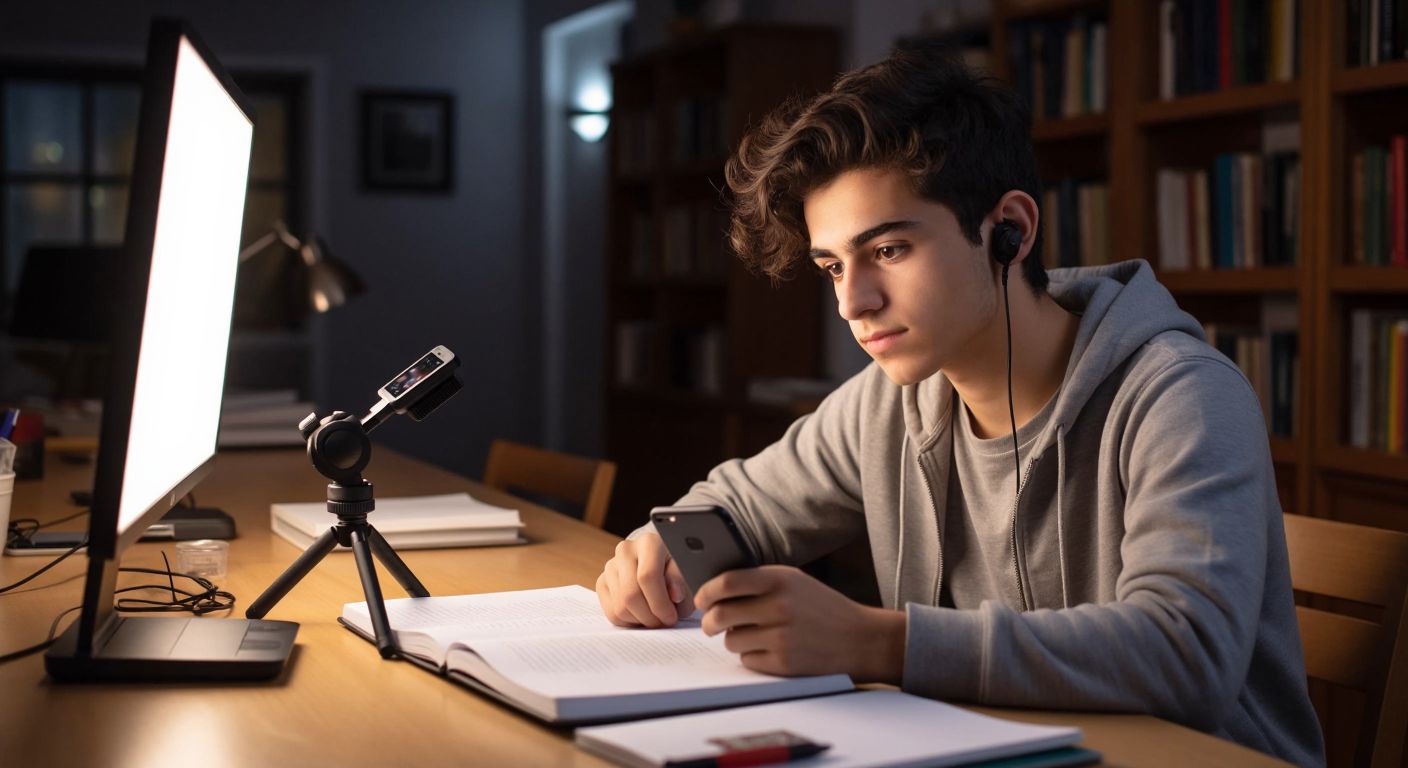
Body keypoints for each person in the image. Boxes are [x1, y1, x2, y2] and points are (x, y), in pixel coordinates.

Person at [593, 43, 1323, 767]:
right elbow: (736, 507)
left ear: (1010, 230)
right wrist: (667, 553)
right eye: (833, 267)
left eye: (888, 251)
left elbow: (1186, 655)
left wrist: (880, 642)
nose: (854, 302)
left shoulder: (1181, 395)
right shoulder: (892, 400)